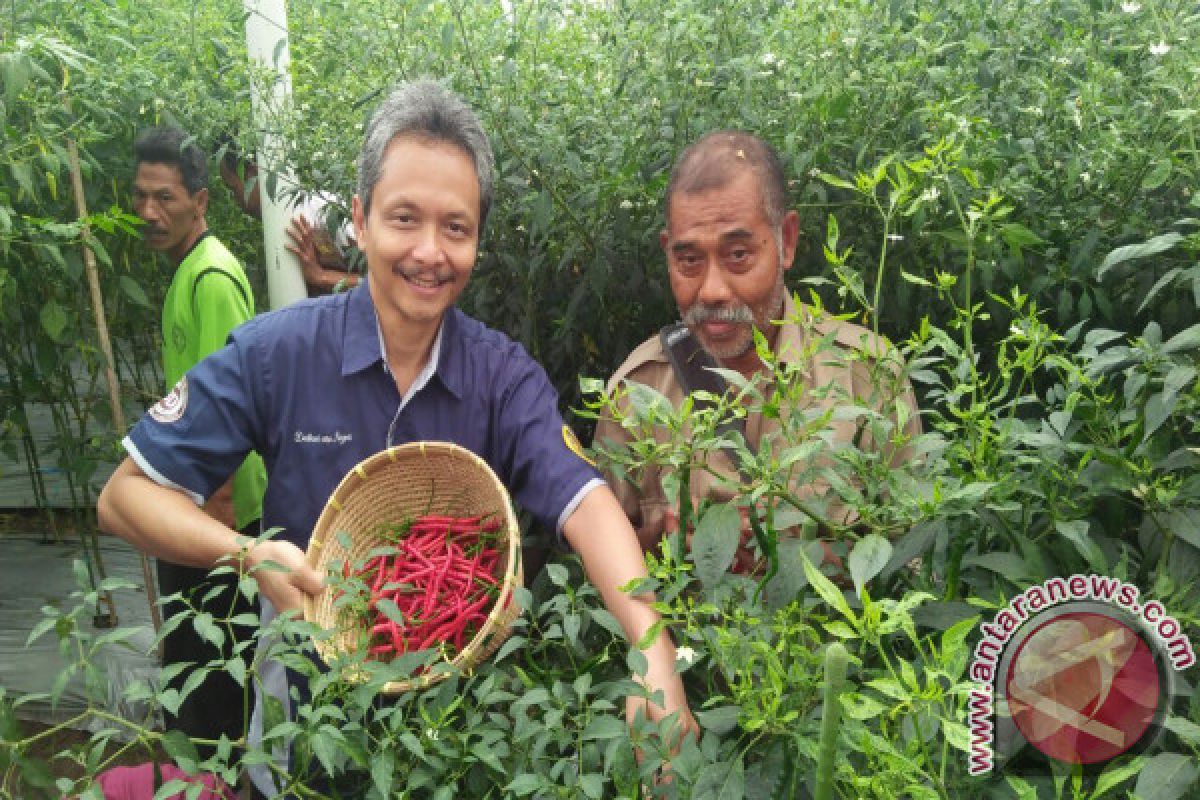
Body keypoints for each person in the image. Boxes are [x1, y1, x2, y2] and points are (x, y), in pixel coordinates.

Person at [101, 81, 695, 796]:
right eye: (404, 218)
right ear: (358, 218)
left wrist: (650, 647)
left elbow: (585, 501)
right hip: (302, 749)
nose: (429, 252)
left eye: (456, 227)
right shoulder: (277, 355)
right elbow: (124, 497)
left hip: (459, 752)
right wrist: (248, 554)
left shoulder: (500, 377)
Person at [592, 130, 921, 569]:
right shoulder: (637, 394)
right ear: (667, 253)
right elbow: (603, 571)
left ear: (786, 240)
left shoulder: (867, 375)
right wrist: (668, 545)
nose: (711, 290)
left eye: (738, 254)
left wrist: (793, 555)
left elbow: (917, 561)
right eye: (689, 261)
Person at [131, 127, 265, 750]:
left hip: (214, 521)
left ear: (201, 200)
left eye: (165, 198)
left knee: (214, 695)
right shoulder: (189, 271)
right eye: (141, 197)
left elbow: (231, 417)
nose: (149, 213)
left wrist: (216, 539)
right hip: (192, 512)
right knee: (197, 683)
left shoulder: (211, 277)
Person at [217, 146, 362, 296]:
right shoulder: (274, 229)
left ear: (254, 173)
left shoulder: (321, 211)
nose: (235, 199)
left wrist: (321, 276)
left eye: (233, 188)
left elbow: (380, 277)